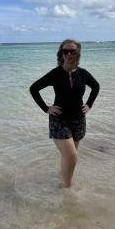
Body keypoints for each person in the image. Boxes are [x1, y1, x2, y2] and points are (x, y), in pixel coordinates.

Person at [30, 39, 100, 188]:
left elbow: (96, 87)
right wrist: (46, 108)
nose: (69, 54)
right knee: (71, 155)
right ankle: (67, 188)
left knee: (70, 156)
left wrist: (89, 104)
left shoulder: (83, 74)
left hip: (78, 120)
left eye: (72, 51)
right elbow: (33, 88)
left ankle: (63, 179)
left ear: (78, 54)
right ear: (61, 54)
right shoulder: (55, 74)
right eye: (65, 51)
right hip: (59, 120)